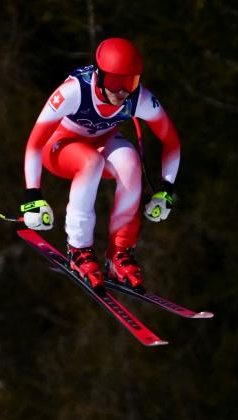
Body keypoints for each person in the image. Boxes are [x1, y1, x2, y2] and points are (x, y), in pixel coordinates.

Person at [20, 37, 180, 293]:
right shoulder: (74, 91)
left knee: (129, 160)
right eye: (115, 81)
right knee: (91, 162)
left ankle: (119, 254)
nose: (122, 91)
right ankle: (79, 249)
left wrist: (166, 191)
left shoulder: (138, 98)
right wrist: (33, 196)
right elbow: (34, 144)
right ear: (99, 75)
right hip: (58, 149)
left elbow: (171, 141)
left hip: (99, 143)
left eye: (131, 81)